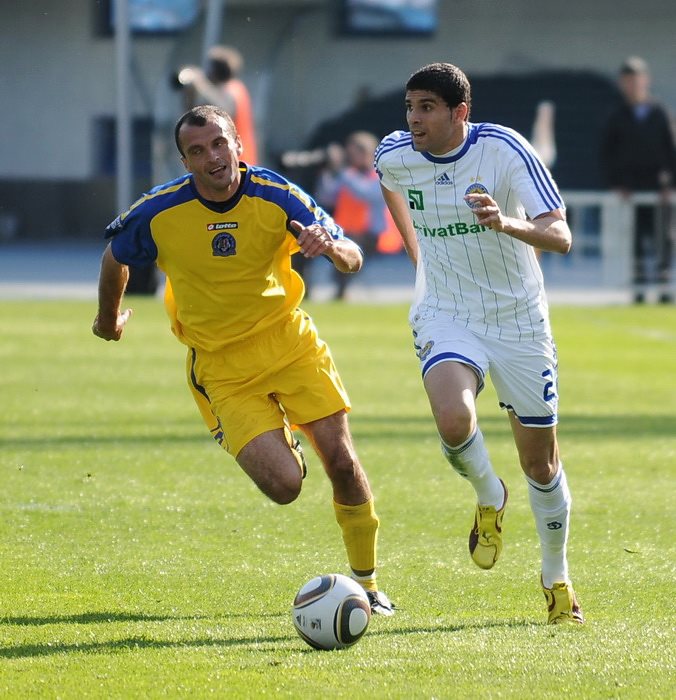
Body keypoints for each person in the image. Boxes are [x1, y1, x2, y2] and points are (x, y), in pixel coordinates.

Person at [92, 104, 393, 616]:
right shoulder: (159, 211)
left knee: (342, 462)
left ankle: (367, 586)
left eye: (219, 143)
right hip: (222, 368)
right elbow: (115, 257)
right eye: (197, 150)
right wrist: (107, 319)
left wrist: (331, 248)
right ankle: (282, 442)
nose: (212, 157)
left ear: (237, 144)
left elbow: (352, 255)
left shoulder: (277, 196)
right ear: (185, 162)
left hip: (290, 345)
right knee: (284, 487)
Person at [375, 62, 582, 624]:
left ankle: (556, 575)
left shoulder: (504, 150)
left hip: (518, 321)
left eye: (427, 108)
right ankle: (490, 494)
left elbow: (560, 235)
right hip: (446, 311)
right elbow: (389, 182)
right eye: (410, 107)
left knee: (540, 463)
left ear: (459, 112)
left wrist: (505, 223)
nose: (414, 119)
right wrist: (418, 258)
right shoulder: (395, 153)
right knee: (452, 418)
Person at [600, 56, 676, 304]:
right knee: (636, 239)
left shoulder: (659, 113)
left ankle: (664, 288)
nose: (632, 85)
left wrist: (670, 185)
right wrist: (616, 183)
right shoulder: (617, 115)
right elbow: (607, 153)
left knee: (663, 238)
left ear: (645, 81)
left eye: (636, 80)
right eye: (627, 80)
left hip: (658, 189)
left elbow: (671, 150)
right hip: (631, 188)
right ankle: (639, 288)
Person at [315, 131, 401, 300]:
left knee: (348, 253)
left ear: (366, 153)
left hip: (374, 234)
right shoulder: (348, 174)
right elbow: (326, 197)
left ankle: (341, 291)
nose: (350, 158)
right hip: (345, 231)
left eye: (354, 153)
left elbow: (366, 193)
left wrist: (342, 172)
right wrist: (327, 173)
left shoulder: (380, 174)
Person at [177, 45, 258, 165]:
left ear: (214, 71)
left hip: (234, 160)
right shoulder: (238, 88)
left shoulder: (232, 91)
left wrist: (200, 85)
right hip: (237, 158)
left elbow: (218, 114)